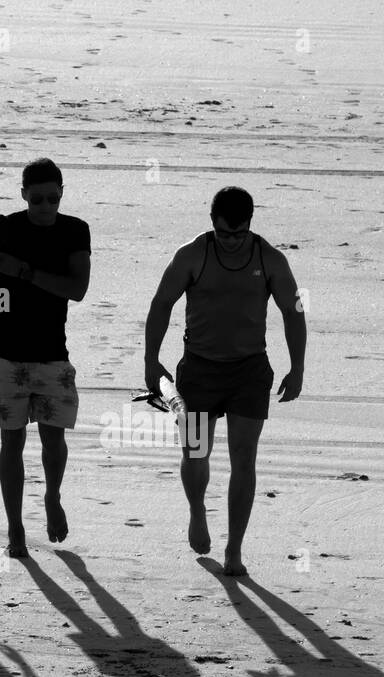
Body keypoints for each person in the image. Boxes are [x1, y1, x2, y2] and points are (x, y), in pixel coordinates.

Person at [143, 186, 306, 577]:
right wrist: (151, 361)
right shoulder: (192, 255)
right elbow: (161, 303)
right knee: (195, 453)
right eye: (223, 233)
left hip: (249, 372)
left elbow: (293, 311)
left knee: (243, 459)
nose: (231, 241)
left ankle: (234, 550)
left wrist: (297, 368)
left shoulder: (270, 260)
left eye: (239, 233)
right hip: (198, 372)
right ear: (212, 222)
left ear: (251, 223)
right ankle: (197, 511)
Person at [0, 158, 91, 558]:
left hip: (52, 354)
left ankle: (52, 496)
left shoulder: (75, 230)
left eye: (52, 198)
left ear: (62, 193)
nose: (45, 207)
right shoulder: (8, 228)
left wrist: (25, 272)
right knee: (10, 443)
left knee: (54, 440)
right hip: (5, 354)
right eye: (37, 199)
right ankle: (15, 527)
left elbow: (78, 288)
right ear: (23, 195)